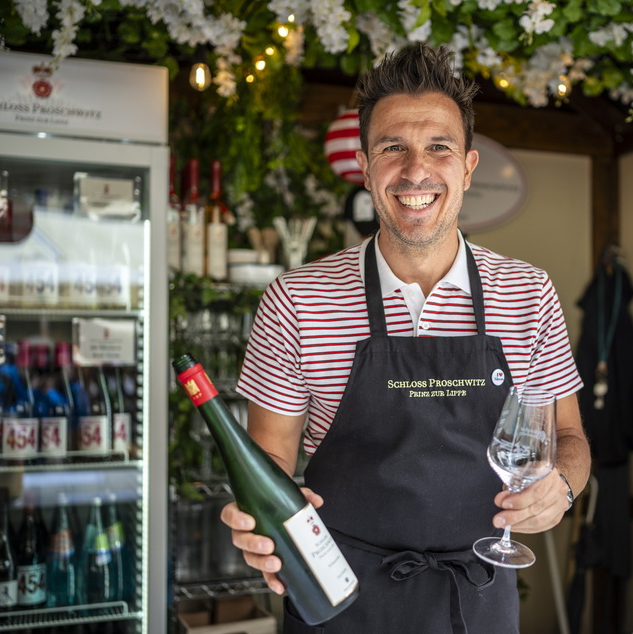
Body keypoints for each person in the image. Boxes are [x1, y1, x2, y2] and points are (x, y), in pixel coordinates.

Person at [222, 43, 591, 633]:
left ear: (467, 168)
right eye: (393, 147)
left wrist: (564, 487)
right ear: (367, 168)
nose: (416, 170)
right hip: (338, 596)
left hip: (476, 594)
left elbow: (567, 437)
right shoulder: (296, 299)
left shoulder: (527, 293)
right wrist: (258, 518)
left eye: (438, 147)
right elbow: (268, 462)